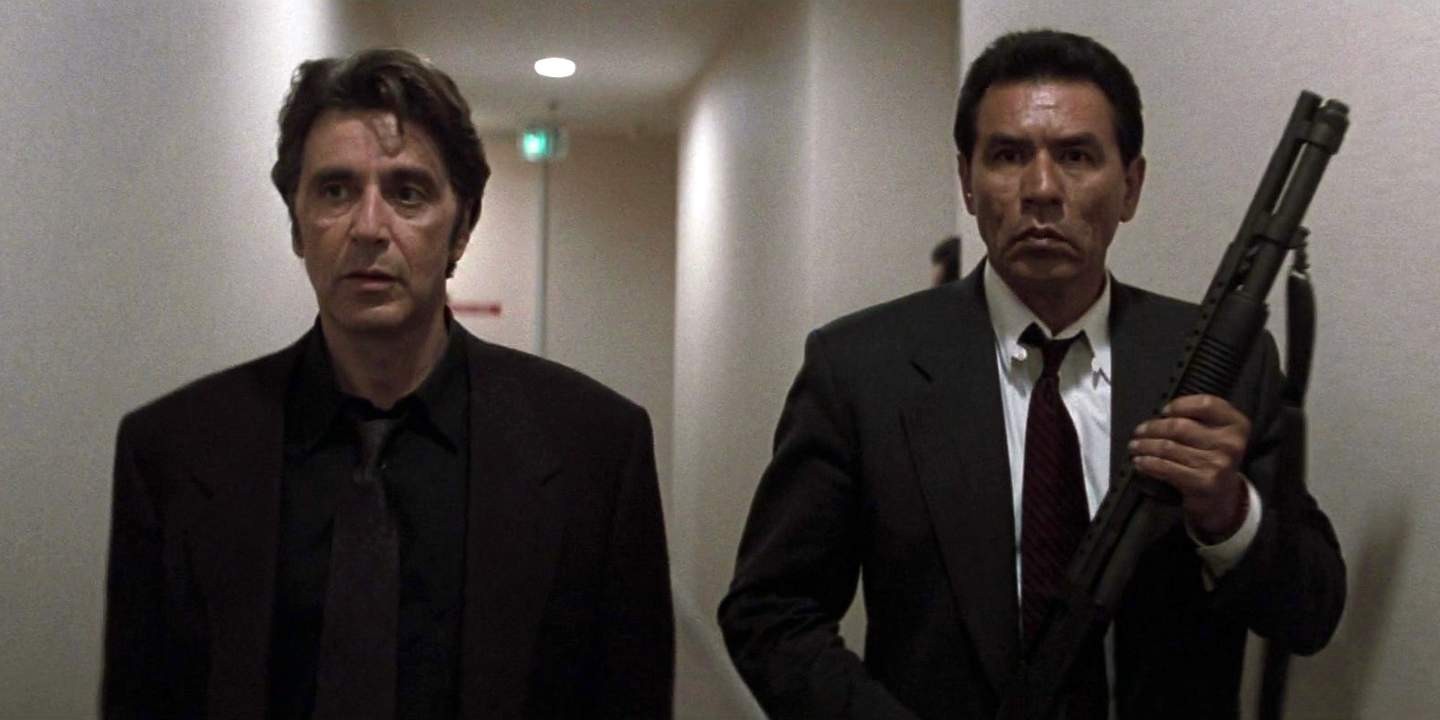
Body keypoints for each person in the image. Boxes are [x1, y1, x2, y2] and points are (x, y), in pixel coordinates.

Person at [719, 29, 1344, 719]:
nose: (1042, 189)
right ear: (967, 181)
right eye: (1009, 155)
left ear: (1131, 186)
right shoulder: (862, 370)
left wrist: (1228, 513)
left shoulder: (1220, 368)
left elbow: (1311, 614)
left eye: (1077, 156)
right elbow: (771, 616)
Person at [102, 49, 673, 720]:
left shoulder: (596, 452)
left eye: (407, 193)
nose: (369, 228)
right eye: (335, 191)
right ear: (297, 223)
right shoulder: (171, 452)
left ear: (461, 227)